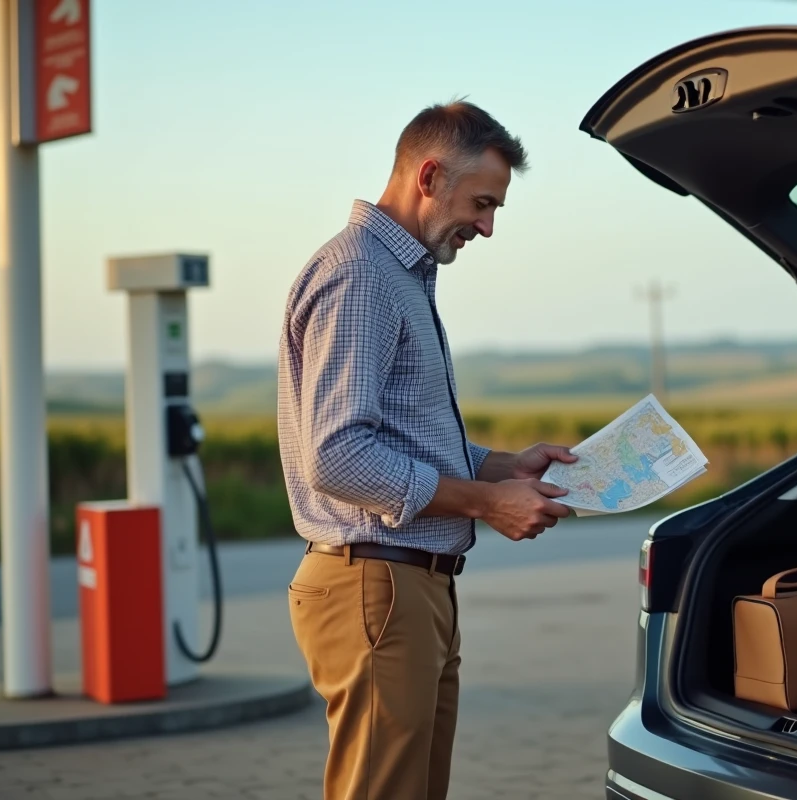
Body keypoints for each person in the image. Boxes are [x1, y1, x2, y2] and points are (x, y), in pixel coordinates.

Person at [276, 99, 578, 800]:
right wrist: (487, 502)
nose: (487, 226)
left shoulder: (399, 275)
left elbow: (400, 437)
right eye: (481, 203)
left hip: (410, 584)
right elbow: (340, 455)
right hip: (376, 585)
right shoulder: (360, 275)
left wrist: (504, 466)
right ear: (430, 175)